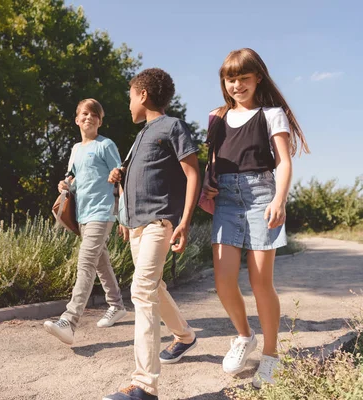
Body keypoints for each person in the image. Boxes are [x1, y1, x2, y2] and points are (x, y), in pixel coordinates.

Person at [202, 48, 309, 388]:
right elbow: (213, 161)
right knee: (223, 281)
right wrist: (208, 182)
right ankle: (244, 336)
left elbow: (284, 162)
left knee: (261, 282)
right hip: (227, 202)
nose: (236, 85)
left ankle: (271, 354)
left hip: (262, 197)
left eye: (243, 78)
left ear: (258, 77)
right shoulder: (216, 116)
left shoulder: (271, 114)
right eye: (230, 79)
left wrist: (280, 198)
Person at [104, 68, 201, 400]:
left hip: (160, 222)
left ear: (142, 95)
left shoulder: (172, 127)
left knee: (141, 290)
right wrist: (123, 206)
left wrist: (185, 221)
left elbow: (192, 173)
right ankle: (185, 336)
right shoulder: (140, 136)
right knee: (153, 288)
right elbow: (141, 179)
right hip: (136, 226)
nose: (128, 104)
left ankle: (144, 385)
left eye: (130, 96)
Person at [44, 98, 127, 345]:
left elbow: (121, 176)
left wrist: (123, 214)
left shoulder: (105, 145)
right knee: (100, 262)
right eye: (84, 114)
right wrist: (65, 184)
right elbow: (74, 179)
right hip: (83, 214)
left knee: (86, 262)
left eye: (94, 114)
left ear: (99, 121)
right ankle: (117, 305)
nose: (88, 117)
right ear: (77, 119)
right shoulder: (76, 149)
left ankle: (69, 321)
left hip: (102, 213)